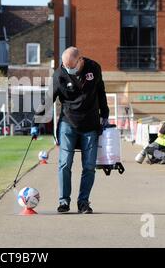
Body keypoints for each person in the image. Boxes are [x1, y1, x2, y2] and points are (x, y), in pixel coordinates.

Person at [31, 47, 109, 214]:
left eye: (71, 66)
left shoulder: (94, 68)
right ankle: (64, 201)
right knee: (65, 163)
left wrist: (105, 114)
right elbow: (48, 98)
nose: (68, 70)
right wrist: (36, 122)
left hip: (90, 123)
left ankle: (83, 203)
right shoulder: (59, 74)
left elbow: (101, 91)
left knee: (89, 166)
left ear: (80, 60)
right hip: (68, 123)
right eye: (66, 66)